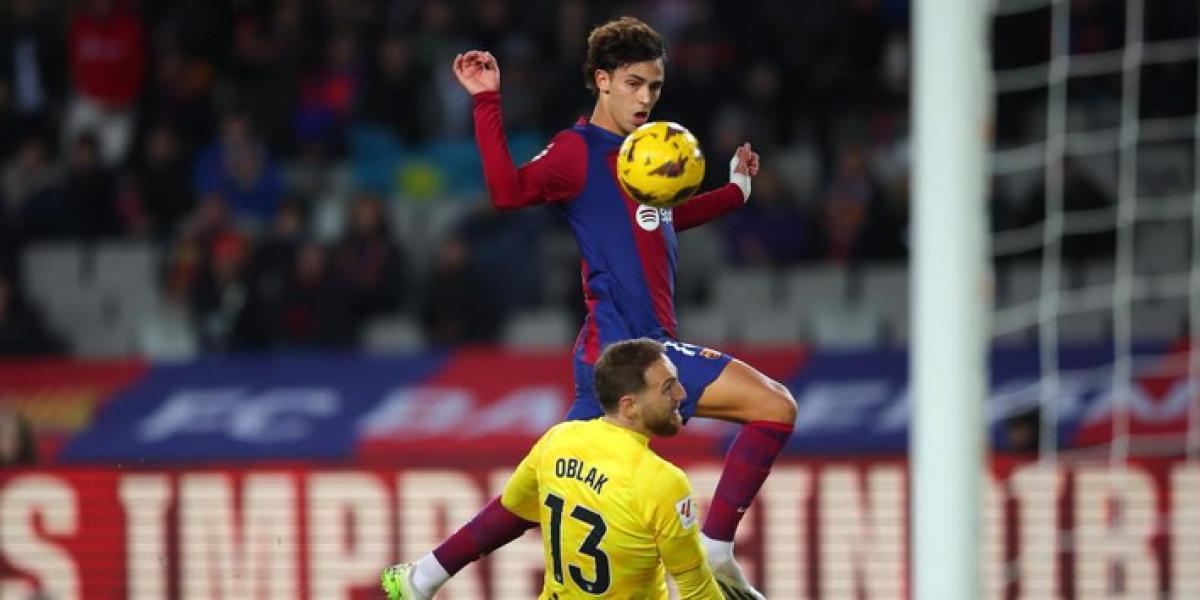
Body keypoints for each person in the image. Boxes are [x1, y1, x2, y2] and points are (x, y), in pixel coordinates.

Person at [385, 16, 795, 598]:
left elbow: (662, 221)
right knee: (775, 407)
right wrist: (486, 101)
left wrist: (734, 192)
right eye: (633, 83)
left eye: (654, 86)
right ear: (601, 81)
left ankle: (422, 576)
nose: (646, 98)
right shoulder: (578, 151)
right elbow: (508, 191)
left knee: (538, 491)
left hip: (618, 354)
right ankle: (716, 546)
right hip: (630, 351)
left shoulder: (643, 156)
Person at [385, 339, 724, 599]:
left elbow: (505, 514)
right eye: (668, 388)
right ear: (629, 405)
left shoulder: (557, 440)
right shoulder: (662, 481)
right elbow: (696, 590)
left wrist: (429, 572)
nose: (682, 393)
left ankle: (420, 578)